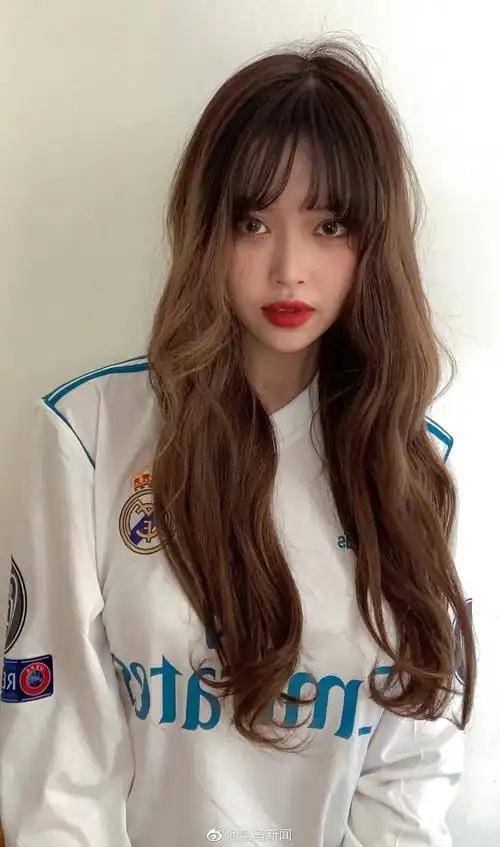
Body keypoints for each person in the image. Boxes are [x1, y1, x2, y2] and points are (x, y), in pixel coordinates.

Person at [0, 35, 476, 846]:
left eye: (329, 225)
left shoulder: (414, 467)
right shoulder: (90, 435)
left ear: (374, 242)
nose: (289, 269)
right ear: (206, 229)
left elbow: (409, 771)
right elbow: (59, 759)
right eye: (253, 222)